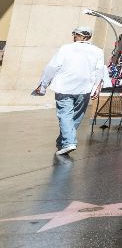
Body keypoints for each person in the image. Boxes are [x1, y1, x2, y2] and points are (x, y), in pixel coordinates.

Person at [34, 26, 112, 156]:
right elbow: (99, 71)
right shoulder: (98, 51)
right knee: (75, 116)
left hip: (64, 86)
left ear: (77, 35)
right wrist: (96, 88)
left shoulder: (66, 48)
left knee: (65, 115)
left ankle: (69, 142)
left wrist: (43, 85)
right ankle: (63, 142)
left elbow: (52, 67)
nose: (73, 37)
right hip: (84, 88)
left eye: (74, 34)